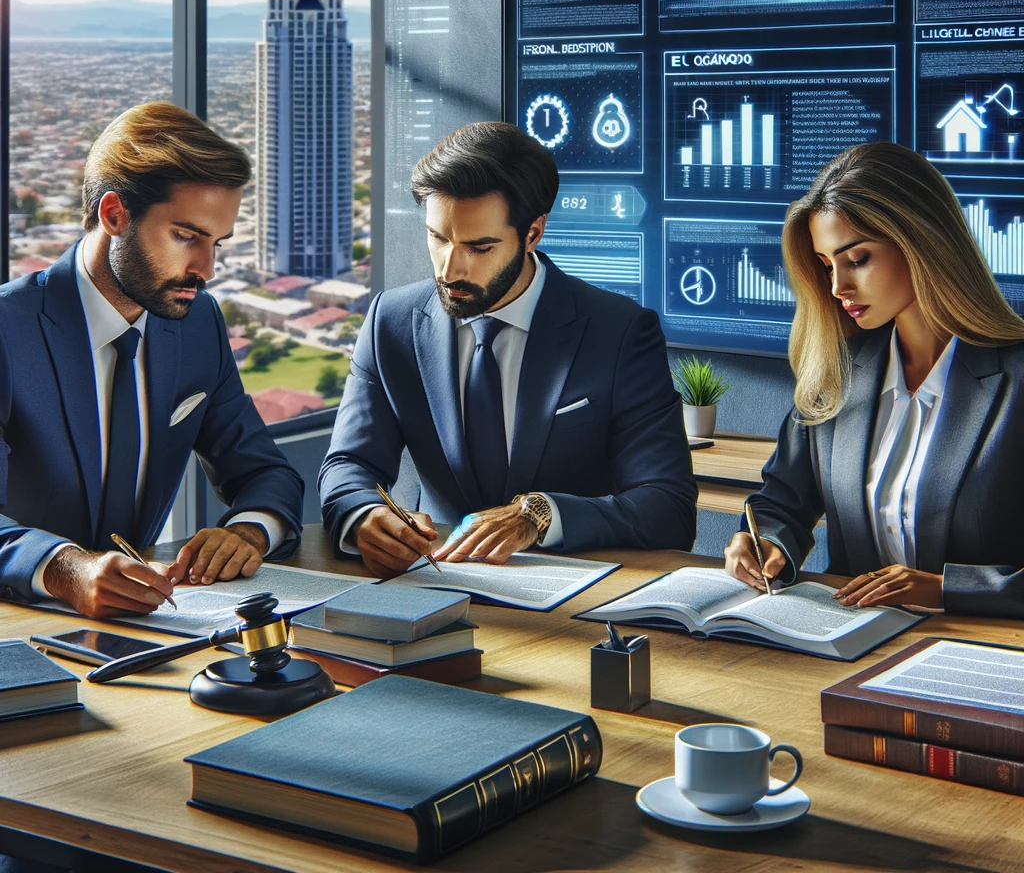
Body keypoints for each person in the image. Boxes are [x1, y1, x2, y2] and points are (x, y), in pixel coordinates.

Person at [320, 121, 697, 577]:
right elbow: (348, 464)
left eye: (479, 247)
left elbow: (669, 507)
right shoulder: (390, 321)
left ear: (533, 233)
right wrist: (364, 516)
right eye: (438, 238)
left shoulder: (618, 332)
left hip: (570, 602)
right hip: (433, 582)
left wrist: (540, 515)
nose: (450, 268)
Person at [0, 102, 304, 617]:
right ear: (114, 214)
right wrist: (64, 567)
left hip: (145, 623)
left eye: (217, 243)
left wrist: (249, 531)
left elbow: (264, 470)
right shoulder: (9, 329)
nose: (206, 269)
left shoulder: (198, 324)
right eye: (186, 236)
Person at [724, 141, 1024, 618]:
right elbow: (783, 501)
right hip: (853, 643)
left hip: (983, 653)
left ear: (921, 242)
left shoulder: (1016, 379)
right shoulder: (838, 369)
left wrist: (946, 588)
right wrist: (764, 541)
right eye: (826, 266)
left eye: (857, 259)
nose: (838, 287)